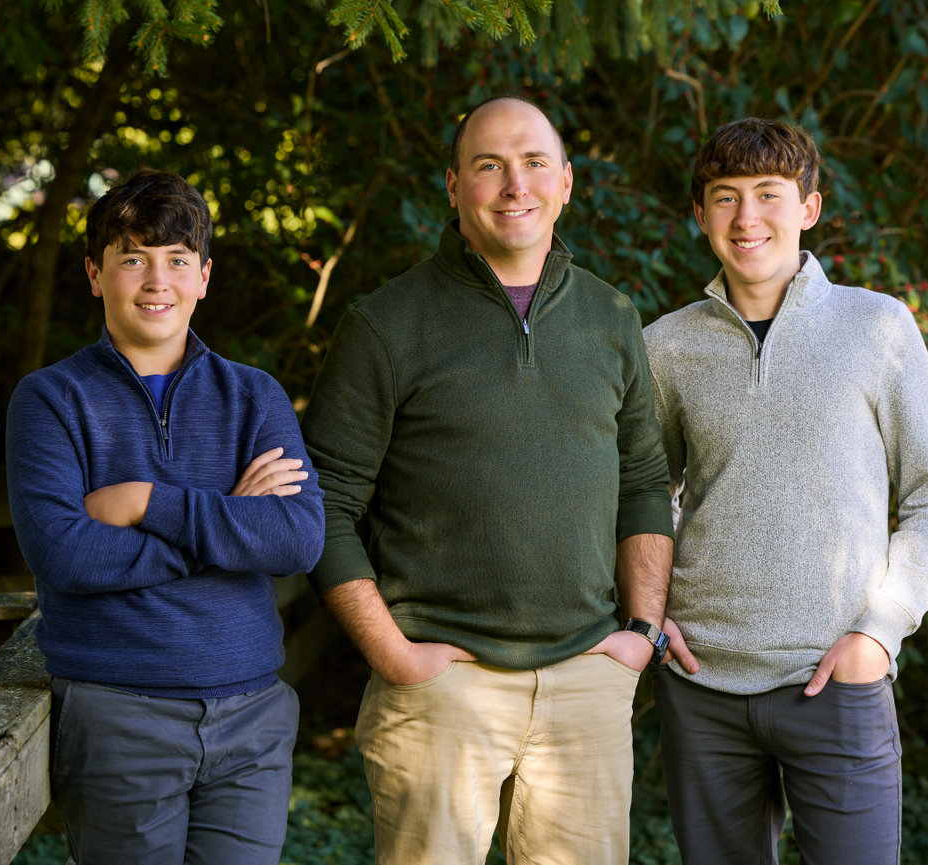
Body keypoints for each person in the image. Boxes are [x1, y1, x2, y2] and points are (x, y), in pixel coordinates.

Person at [301, 94, 676, 865]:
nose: (515, 184)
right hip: (442, 686)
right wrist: (395, 656)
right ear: (453, 185)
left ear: (566, 182)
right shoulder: (386, 325)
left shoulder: (611, 317)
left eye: (535, 162)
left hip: (586, 683)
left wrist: (641, 632)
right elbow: (324, 504)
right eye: (489, 165)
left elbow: (643, 479)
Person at [642, 117, 928, 864]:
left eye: (768, 194)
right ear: (700, 215)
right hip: (701, 683)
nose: (746, 217)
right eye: (725, 197)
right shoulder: (666, 346)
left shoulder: (877, 327)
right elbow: (646, 491)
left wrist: (880, 632)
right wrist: (651, 610)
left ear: (809, 208)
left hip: (837, 680)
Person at [5, 168, 324, 865]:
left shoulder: (255, 396)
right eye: (133, 260)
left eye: (177, 260)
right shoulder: (50, 400)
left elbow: (298, 539)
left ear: (204, 277)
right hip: (118, 713)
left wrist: (148, 502)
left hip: (252, 717)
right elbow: (64, 554)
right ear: (95, 275)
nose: (157, 281)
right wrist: (230, 521)